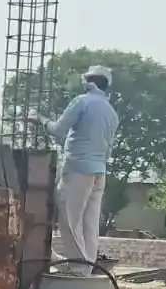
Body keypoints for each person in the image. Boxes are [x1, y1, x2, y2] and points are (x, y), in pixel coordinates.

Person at [38, 65, 120, 273]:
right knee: (89, 225)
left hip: (78, 170)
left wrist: (39, 119)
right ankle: (87, 267)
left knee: (70, 220)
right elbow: (109, 148)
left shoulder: (82, 102)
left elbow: (58, 130)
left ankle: (79, 269)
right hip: (99, 172)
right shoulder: (111, 112)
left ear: (89, 82)